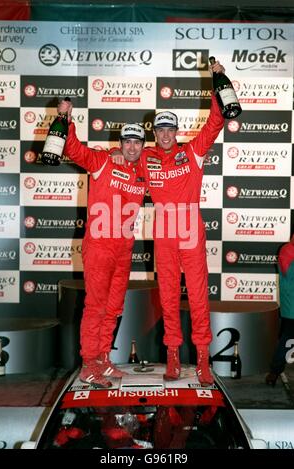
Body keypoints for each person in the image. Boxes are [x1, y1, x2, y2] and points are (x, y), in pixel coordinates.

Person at [112, 59, 225, 386]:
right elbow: (122, 161)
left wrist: (218, 81)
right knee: (168, 296)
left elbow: (216, 121)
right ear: (154, 133)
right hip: (162, 233)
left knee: (200, 296)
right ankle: (173, 355)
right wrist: (115, 156)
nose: (164, 134)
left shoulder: (193, 152)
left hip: (190, 229)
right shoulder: (145, 158)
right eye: (159, 130)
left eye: (169, 129)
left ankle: (203, 359)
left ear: (176, 132)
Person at [58, 99, 146, 387]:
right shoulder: (103, 161)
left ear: (143, 146)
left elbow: (168, 160)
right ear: (120, 143)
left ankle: (104, 358)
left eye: (137, 143)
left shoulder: (143, 171)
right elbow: (73, 150)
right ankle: (88, 363)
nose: (132, 147)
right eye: (127, 142)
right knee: (95, 306)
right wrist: (67, 122)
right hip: (99, 246)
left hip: (124, 249)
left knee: (114, 307)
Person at [266, 235, 294, 386]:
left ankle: (274, 372)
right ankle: (274, 372)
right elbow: (289, 274)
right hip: (292, 306)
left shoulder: (287, 250)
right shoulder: (288, 250)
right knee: (287, 340)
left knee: (286, 339)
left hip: (290, 305)